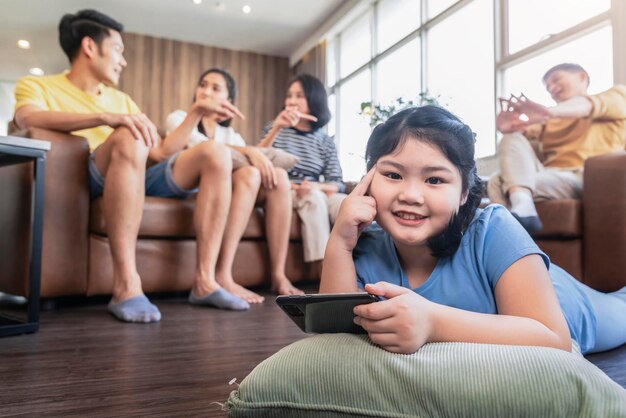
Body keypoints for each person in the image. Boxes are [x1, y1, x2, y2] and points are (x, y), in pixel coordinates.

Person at [320, 105, 626, 355]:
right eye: (393, 175)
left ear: (464, 192)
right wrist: (339, 243)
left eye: (435, 180)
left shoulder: (493, 228)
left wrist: (434, 322)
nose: (411, 195)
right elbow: (334, 342)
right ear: (367, 180)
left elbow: (553, 339)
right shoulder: (365, 246)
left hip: (567, 303)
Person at [12, 10, 242, 323]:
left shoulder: (121, 99)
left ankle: (205, 281)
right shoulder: (38, 85)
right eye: (119, 50)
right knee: (128, 135)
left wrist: (197, 111)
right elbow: (27, 118)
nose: (123, 61)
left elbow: (160, 152)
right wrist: (106, 118)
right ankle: (126, 284)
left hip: (137, 171)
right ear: (90, 47)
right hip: (88, 175)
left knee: (215, 153)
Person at [162, 68, 303, 303]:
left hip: (228, 187)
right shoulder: (179, 118)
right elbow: (202, 146)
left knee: (274, 176)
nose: (206, 91)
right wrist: (248, 151)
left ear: (228, 100)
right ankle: (223, 274)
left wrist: (276, 128)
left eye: (215, 88)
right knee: (249, 172)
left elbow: (257, 155)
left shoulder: (229, 134)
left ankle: (278, 274)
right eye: (203, 84)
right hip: (196, 186)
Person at [487, 63, 626, 232]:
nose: (552, 88)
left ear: (582, 77)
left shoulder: (615, 96)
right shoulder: (547, 121)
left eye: (556, 79)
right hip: (549, 176)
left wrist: (549, 112)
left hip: (586, 178)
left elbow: (585, 105)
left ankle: (514, 227)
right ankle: (523, 209)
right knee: (500, 169)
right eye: (548, 87)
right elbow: (516, 147)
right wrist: (506, 128)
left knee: (501, 184)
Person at [258, 74, 345, 265]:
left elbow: (337, 182)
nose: (291, 101)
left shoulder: (324, 141)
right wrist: (276, 127)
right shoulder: (274, 129)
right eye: (289, 96)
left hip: (315, 189)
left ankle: (362, 263)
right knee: (313, 199)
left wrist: (316, 186)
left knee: (346, 204)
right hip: (282, 189)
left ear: (314, 100)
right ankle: (323, 268)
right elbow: (257, 161)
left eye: (299, 96)